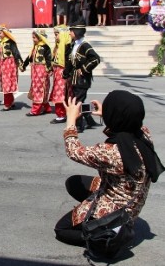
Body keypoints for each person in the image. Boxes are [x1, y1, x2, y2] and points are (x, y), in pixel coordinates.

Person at [54, 91, 164, 254]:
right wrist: (106, 113)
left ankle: (105, 236)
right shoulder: (144, 134)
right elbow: (127, 120)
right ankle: (111, 226)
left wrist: (71, 121)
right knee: (74, 183)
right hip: (132, 199)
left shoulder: (111, 152)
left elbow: (74, 151)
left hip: (115, 209)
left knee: (62, 229)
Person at [63, 20, 100, 132]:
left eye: (71, 31)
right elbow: (70, 61)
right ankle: (89, 121)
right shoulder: (73, 45)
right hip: (75, 79)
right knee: (80, 100)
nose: (69, 33)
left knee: (77, 101)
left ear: (76, 32)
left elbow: (96, 59)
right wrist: (66, 74)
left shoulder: (85, 46)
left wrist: (83, 69)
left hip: (82, 79)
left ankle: (79, 125)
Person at [20, 29, 53, 116]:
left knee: (39, 89)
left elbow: (49, 59)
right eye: (33, 37)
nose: (33, 39)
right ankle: (47, 107)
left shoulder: (45, 47)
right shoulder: (35, 47)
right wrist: (23, 65)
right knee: (40, 89)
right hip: (35, 71)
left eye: (34, 37)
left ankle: (35, 110)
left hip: (42, 71)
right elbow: (29, 58)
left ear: (40, 37)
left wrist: (49, 69)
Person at [0, 24, 23, 111]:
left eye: (0, 33)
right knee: (6, 84)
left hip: (10, 64)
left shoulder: (10, 42)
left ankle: (7, 103)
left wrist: (20, 64)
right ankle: (11, 101)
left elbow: (16, 53)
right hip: (2, 65)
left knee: (7, 84)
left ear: (5, 33)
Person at [49, 25, 72, 124]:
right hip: (58, 71)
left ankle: (62, 114)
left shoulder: (69, 46)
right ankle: (62, 113)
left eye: (57, 34)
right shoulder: (58, 46)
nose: (55, 37)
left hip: (65, 72)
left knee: (63, 93)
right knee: (60, 92)